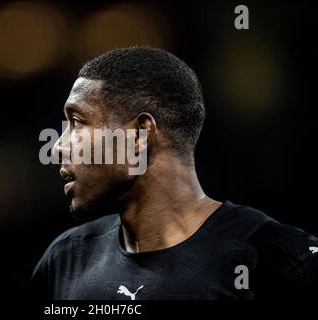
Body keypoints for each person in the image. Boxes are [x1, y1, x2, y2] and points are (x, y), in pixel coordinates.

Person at [30, 47, 317, 300]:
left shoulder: (278, 259)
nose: (58, 146)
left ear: (140, 134)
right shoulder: (65, 260)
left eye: (78, 122)